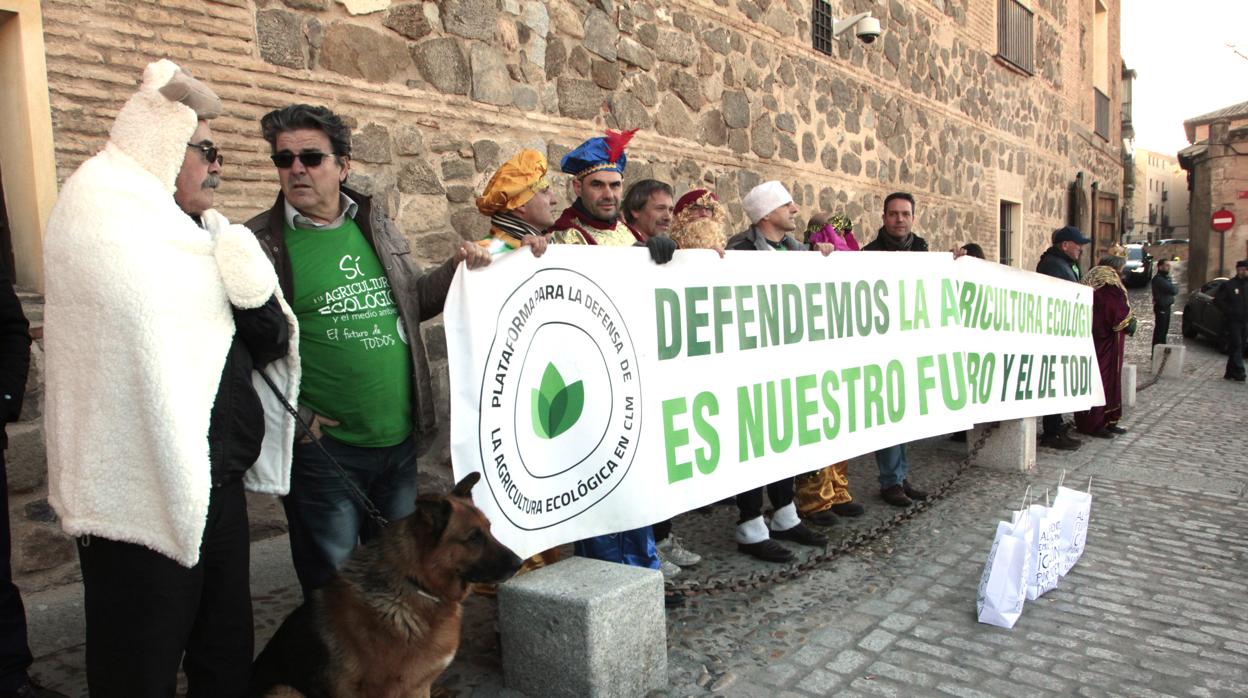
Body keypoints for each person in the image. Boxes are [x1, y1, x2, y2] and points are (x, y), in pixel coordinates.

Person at [43, 60, 300, 697]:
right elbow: (135, 344)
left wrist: (247, 280)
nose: (218, 165)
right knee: (140, 664)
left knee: (224, 652)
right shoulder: (102, 215)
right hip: (138, 490)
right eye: (206, 149)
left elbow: (266, 343)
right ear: (163, 146)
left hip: (218, 484)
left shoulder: (205, 236)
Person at [244, 104, 493, 596]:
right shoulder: (258, 245)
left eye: (312, 157)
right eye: (284, 159)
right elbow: (246, 346)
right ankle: (341, 674)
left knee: (400, 575)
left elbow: (413, 301)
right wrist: (301, 420)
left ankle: (394, 672)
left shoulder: (374, 225)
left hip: (397, 442)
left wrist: (459, 268)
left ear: (343, 165)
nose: (296, 168)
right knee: (337, 588)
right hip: (326, 454)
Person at [723, 181, 831, 562]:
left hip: (788, 365)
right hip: (751, 365)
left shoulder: (797, 251)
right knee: (753, 444)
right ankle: (750, 525)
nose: (796, 210)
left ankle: (785, 514)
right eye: (787, 205)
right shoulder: (739, 250)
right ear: (766, 214)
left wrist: (823, 255)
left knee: (785, 440)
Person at [793, 213, 866, 523]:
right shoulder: (805, 261)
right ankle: (814, 499)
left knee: (841, 428)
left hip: (841, 353)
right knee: (816, 431)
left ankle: (837, 490)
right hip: (812, 356)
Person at [862, 193, 929, 508]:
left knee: (905, 417)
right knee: (887, 417)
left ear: (913, 217)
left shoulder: (925, 252)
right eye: (893, 214)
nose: (899, 219)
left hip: (912, 347)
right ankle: (890, 481)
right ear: (884, 217)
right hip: (882, 350)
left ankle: (900, 477)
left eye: (905, 214)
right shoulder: (869, 255)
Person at [1034, 226, 1091, 450]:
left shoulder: (1064, 264)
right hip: (1052, 333)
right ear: (1065, 245)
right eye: (1078, 245)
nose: (1081, 249)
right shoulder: (1052, 265)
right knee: (1051, 382)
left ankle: (1055, 426)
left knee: (1056, 381)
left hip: (1061, 333)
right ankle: (1052, 431)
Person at [1074, 252, 1135, 437]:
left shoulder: (1093, 275)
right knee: (1102, 379)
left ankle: (1107, 419)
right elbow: (1114, 310)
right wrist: (1129, 321)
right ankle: (1096, 423)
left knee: (1102, 379)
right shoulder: (1107, 280)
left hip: (1095, 336)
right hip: (1105, 339)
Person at [474, 148, 555, 256]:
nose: (554, 200)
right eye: (544, 191)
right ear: (520, 204)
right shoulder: (486, 255)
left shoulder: (551, 243)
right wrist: (522, 256)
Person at [1213, 259, 1248, 382]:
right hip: (1233, 321)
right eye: (1240, 269)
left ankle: (1230, 371)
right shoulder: (1229, 285)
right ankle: (1240, 371)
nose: (1242, 272)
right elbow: (1217, 300)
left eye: (1244, 269)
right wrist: (1229, 311)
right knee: (1237, 344)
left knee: (1239, 346)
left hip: (1245, 321)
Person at [1150, 257, 1178, 348]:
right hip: (1161, 308)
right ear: (1160, 267)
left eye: (1169, 265)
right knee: (1160, 331)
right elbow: (1173, 290)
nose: (1168, 267)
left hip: (1166, 307)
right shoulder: (1159, 279)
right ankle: (1157, 352)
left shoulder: (1165, 278)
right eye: (1166, 265)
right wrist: (1172, 286)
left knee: (1164, 331)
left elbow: (1174, 289)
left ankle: (1161, 351)